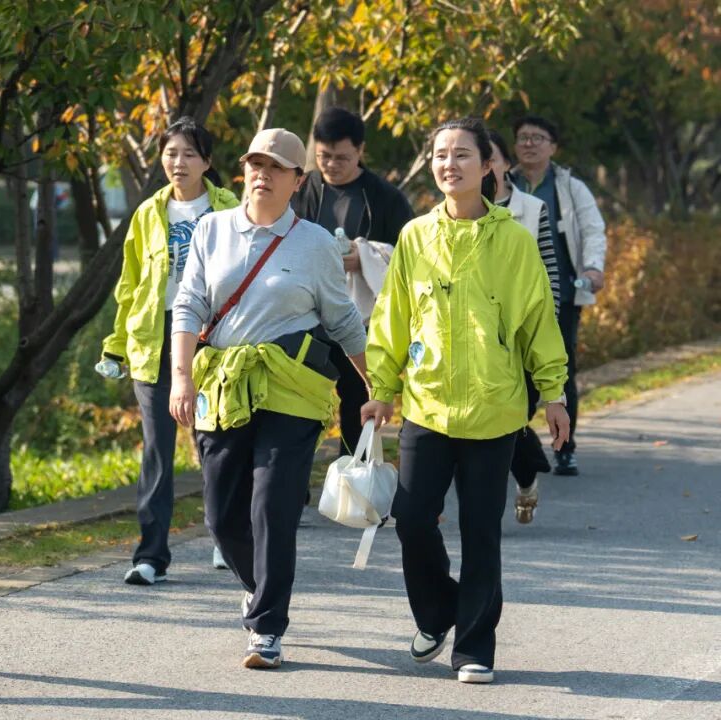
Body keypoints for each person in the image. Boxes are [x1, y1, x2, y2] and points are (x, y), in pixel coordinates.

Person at [362, 118, 569, 684]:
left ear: (489, 167)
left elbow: (537, 322)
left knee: (482, 531)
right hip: (426, 407)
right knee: (410, 519)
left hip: (495, 408)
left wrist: (552, 392)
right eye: (439, 155)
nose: (448, 164)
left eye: (461, 155)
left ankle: (474, 647)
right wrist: (382, 388)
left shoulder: (515, 242)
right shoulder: (414, 237)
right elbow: (392, 318)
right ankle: (440, 611)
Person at [171, 128, 368, 669]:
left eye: (276, 167)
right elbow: (187, 305)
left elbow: (343, 319)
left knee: (273, 506)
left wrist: (377, 386)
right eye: (255, 164)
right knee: (220, 515)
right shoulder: (211, 229)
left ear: (297, 181)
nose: (262, 174)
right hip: (225, 385)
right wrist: (180, 378)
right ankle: (260, 586)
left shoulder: (315, 244)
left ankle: (266, 626)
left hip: (292, 390)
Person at [100, 117, 239, 585]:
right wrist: (116, 346)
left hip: (212, 338)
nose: (177, 163)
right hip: (154, 338)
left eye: (188, 154)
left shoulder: (229, 211)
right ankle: (151, 556)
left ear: (207, 162)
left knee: (214, 444)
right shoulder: (147, 214)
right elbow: (130, 286)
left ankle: (225, 538)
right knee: (158, 449)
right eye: (170, 153)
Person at [292, 107, 414, 457]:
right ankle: (292, 482)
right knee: (298, 400)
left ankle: (355, 472)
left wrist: (365, 259)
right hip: (306, 314)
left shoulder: (384, 198)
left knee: (356, 401)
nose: (331, 165)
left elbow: (409, 254)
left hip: (359, 318)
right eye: (323, 157)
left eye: (342, 158)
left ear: (360, 151)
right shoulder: (302, 187)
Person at [512, 115, 607, 476]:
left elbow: (593, 229)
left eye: (538, 137)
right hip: (513, 296)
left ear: (553, 146)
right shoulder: (505, 184)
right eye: (523, 137)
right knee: (516, 373)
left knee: (560, 370)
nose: (530, 144)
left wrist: (593, 267)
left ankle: (565, 447)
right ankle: (513, 444)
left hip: (560, 296)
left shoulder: (569, 187)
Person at [489, 129, 560, 524]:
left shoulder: (531, 210)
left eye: (491, 158)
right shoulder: (442, 217)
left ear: (497, 164)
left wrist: (548, 341)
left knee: (512, 420)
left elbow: (550, 279)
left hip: (520, 340)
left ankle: (526, 475)